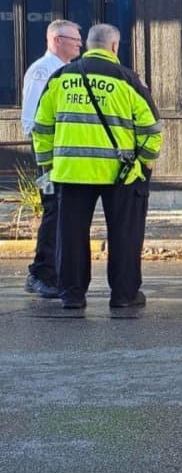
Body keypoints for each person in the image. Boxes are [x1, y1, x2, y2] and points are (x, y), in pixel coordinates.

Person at [32, 23, 163, 310]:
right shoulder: (127, 80)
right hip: (121, 174)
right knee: (125, 235)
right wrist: (143, 164)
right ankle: (124, 295)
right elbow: (152, 130)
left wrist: (48, 168)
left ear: (89, 45)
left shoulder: (60, 78)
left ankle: (72, 294)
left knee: (71, 236)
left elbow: (41, 128)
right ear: (114, 47)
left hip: (72, 173)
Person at [20, 19, 83, 299]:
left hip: (62, 153)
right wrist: (47, 159)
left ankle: (52, 270)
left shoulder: (64, 70)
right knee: (53, 211)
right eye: (74, 39)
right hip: (48, 155)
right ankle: (41, 273)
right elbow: (35, 121)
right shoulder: (43, 71)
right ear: (57, 40)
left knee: (60, 212)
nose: (80, 44)